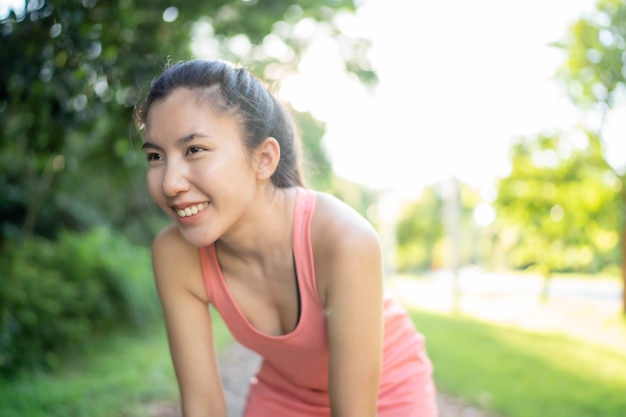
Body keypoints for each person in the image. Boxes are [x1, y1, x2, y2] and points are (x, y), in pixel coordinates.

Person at [134, 59, 438, 417]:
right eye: (156, 156)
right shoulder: (175, 254)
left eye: (194, 150)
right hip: (287, 393)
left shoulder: (345, 241)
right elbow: (202, 406)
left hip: (389, 391)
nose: (170, 183)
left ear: (264, 159)